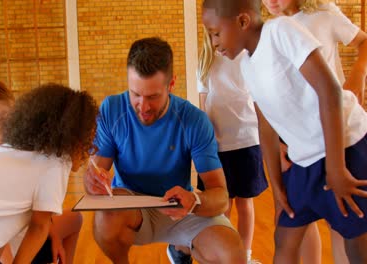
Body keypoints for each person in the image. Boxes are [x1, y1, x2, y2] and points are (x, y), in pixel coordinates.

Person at [202, 1, 367, 263]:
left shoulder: (281, 30)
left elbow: (329, 90)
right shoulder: (247, 65)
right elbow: (266, 128)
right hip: (305, 156)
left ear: (242, 21)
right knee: (285, 236)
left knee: (353, 234)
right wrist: (277, 190)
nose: (214, 42)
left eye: (216, 33)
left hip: (346, 145)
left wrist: (337, 168)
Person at [84, 37, 246, 264]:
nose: (143, 106)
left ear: (171, 85)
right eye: (135, 94)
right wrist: (92, 181)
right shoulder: (112, 109)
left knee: (231, 254)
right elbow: (96, 176)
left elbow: (221, 198)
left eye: (152, 97)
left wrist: (194, 202)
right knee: (107, 215)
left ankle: (181, 249)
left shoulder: (194, 120)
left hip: (180, 210)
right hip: (132, 211)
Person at [261, 1, 367, 262]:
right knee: (293, 218)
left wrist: (359, 72)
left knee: (342, 220)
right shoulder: (267, 31)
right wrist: (275, 143)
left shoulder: (323, 16)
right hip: (292, 140)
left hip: (331, 136)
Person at [0, 83, 98, 264]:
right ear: (73, 136)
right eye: (88, 138)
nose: (89, 147)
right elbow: (39, 226)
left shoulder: (9, 151)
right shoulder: (55, 163)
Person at [197, 26, 268, 263]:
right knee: (222, 206)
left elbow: (259, 98)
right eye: (211, 35)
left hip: (247, 140)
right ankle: (224, 253)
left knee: (245, 203)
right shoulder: (206, 62)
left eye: (219, 33)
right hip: (218, 147)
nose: (216, 40)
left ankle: (244, 255)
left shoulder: (246, 57)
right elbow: (203, 107)